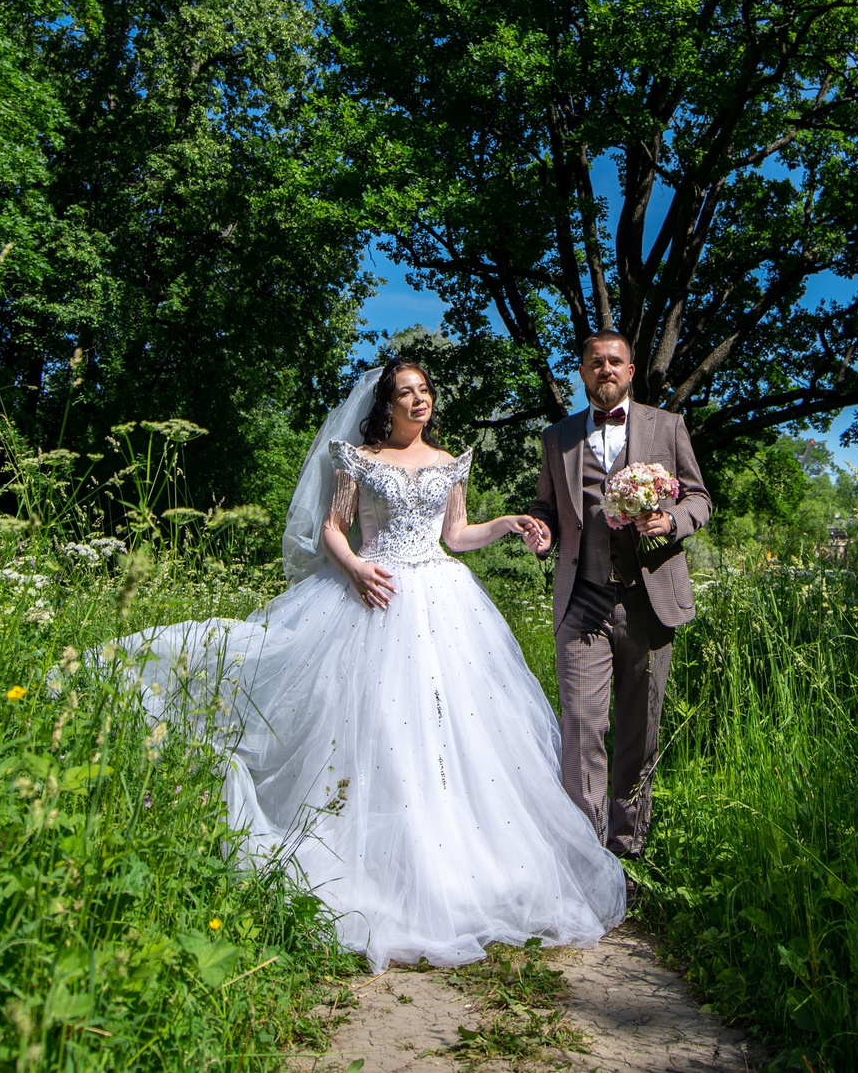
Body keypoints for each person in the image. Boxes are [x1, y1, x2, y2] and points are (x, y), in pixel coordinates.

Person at [88, 358, 624, 969]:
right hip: (376, 592)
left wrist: (506, 524)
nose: (419, 400)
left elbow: (455, 535)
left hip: (444, 601)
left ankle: (454, 859)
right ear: (386, 405)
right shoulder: (359, 459)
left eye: (424, 391)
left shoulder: (449, 462)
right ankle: (379, 854)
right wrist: (355, 567)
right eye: (406, 393)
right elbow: (332, 528)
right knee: (377, 730)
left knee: (451, 732)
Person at [525, 331, 711, 858]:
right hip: (582, 599)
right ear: (583, 372)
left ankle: (627, 854)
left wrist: (670, 521)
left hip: (649, 602)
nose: (605, 369)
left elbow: (699, 498)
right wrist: (542, 530)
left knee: (638, 732)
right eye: (595, 362)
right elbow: (545, 506)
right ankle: (586, 859)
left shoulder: (667, 426)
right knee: (582, 728)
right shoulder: (557, 437)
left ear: (630, 371)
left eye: (615, 361)